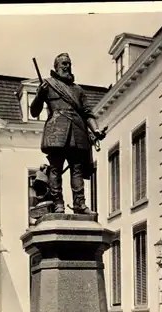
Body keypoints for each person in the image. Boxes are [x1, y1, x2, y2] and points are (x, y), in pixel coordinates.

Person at [30, 53, 106, 214]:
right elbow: (34, 110)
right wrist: (39, 95)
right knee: (56, 169)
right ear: (56, 66)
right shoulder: (48, 85)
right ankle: (58, 204)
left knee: (77, 169)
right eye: (64, 63)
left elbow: (87, 113)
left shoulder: (78, 90)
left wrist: (96, 130)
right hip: (56, 132)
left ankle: (79, 204)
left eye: (69, 63)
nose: (67, 66)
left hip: (77, 133)